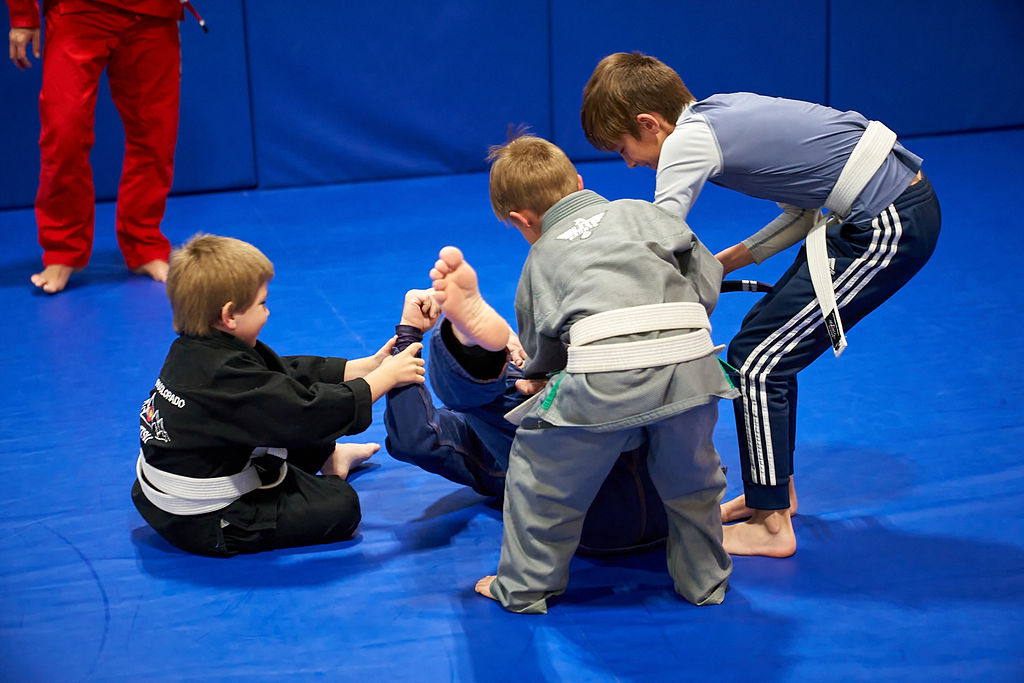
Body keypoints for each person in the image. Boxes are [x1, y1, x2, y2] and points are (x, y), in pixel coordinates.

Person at [580, 51, 942, 558]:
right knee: (758, 348)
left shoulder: (686, 141)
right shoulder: (717, 111)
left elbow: (660, 235)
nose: (631, 163)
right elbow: (801, 215)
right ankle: (768, 496)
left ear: (649, 123)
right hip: (870, 211)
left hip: (887, 222)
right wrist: (723, 264)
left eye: (624, 149)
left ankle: (773, 527)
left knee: (758, 364)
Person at [438, 134, 737, 614]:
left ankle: (522, 589)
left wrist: (540, 374)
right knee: (694, 481)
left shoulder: (541, 257)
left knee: (540, 481)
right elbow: (704, 278)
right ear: (579, 182)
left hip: (605, 375)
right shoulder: (645, 212)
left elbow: (540, 350)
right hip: (693, 361)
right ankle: (705, 582)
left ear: (521, 221)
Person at [131, 234, 426, 557]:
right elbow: (306, 413)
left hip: (186, 475)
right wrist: (382, 380)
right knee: (341, 506)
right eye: (262, 303)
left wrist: (367, 367)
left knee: (285, 410)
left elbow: (279, 377)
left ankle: (329, 456)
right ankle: (328, 465)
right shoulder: (221, 378)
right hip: (202, 518)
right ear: (229, 315)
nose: (268, 312)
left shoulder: (199, 349)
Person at [383, 287, 670, 555]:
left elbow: (415, 438)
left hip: (632, 512)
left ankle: (477, 345)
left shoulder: (486, 410)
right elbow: (416, 438)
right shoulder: (487, 416)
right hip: (645, 510)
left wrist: (409, 336)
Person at [6, 0, 189, 293]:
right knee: (63, 132)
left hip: (154, 12)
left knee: (156, 134)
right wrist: (23, 13)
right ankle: (63, 251)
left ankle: (144, 242)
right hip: (76, 10)